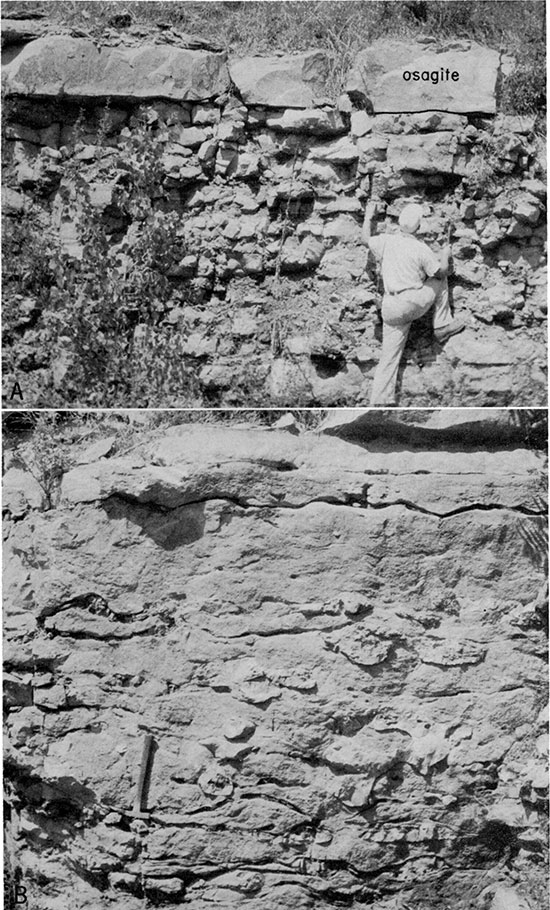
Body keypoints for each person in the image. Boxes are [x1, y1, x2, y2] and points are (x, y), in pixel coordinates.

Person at [363, 202, 466, 406]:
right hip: (411, 304)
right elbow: (442, 272)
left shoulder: (386, 241)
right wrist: (445, 256)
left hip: (390, 306)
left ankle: (379, 402)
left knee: (388, 356)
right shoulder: (421, 249)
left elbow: (365, 239)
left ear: (400, 224)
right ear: (418, 227)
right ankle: (443, 324)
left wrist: (368, 216)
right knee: (438, 278)